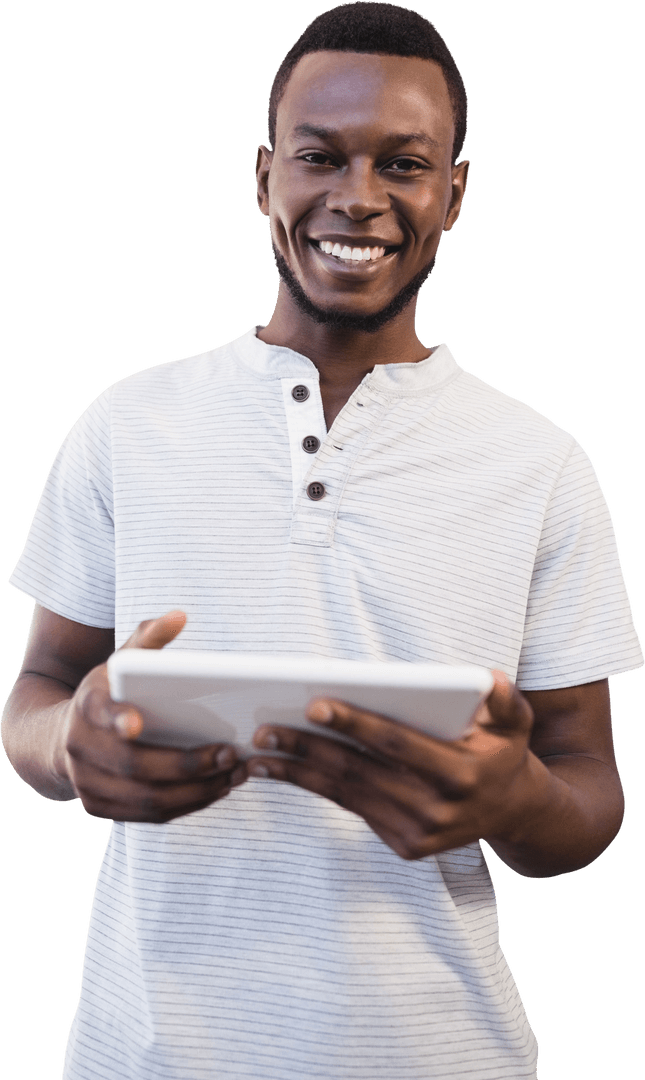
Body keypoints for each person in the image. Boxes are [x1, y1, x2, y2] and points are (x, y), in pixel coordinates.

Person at [2, 3, 642, 1078]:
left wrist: (516, 800)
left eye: (405, 163)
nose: (359, 197)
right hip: (143, 1054)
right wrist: (69, 747)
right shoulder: (127, 423)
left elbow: (588, 784)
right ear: (264, 179)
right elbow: (36, 694)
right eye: (320, 156)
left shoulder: (542, 463)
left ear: (456, 191)